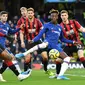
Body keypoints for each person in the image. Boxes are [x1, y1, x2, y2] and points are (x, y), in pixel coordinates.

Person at [15, 9, 78, 80]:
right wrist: (33, 40)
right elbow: (39, 35)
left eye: (55, 16)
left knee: (67, 58)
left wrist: (72, 42)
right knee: (44, 44)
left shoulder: (59, 27)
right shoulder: (46, 25)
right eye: (52, 16)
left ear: (57, 17)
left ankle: (60, 75)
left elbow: (63, 39)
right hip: (47, 44)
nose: (53, 17)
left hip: (55, 46)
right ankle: (23, 54)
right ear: (50, 17)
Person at [16, 7, 54, 76]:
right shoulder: (24, 23)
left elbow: (43, 31)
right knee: (27, 58)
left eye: (31, 13)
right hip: (29, 41)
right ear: (27, 14)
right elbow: (21, 33)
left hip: (38, 41)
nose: (30, 14)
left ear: (33, 14)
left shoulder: (38, 21)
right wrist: (22, 42)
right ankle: (26, 72)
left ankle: (46, 70)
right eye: (29, 13)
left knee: (45, 56)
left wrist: (45, 40)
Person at [0, 11, 30, 81]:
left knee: (10, 58)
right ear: (0, 17)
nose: (5, 17)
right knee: (9, 57)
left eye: (6, 16)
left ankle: (18, 75)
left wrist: (19, 28)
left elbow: (12, 31)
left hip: (2, 46)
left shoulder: (7, 25)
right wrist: (6, 36)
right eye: (3, 16)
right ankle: (19, 75)